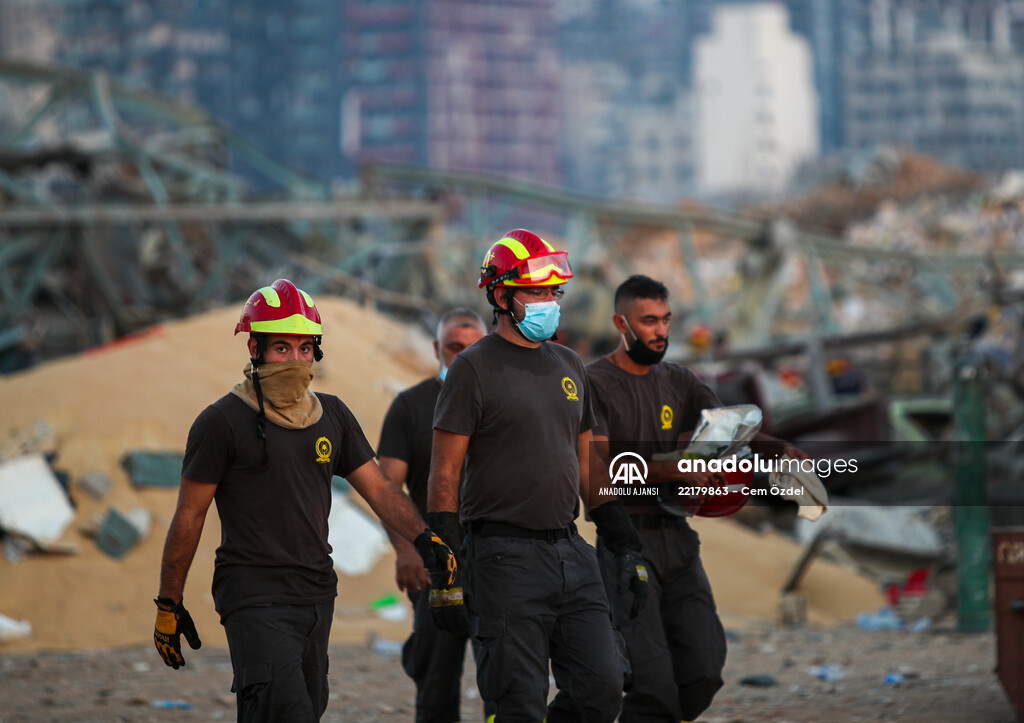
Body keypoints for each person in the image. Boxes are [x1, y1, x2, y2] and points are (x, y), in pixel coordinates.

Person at [153, 278, 457, 722]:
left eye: (304, 348)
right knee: (289, 712)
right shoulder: (221, 422)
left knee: (302, 711)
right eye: (281, 348)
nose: (295, 360)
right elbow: (190, 515)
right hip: (253, 596)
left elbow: (378, 488)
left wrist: (424, 538)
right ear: (255, 349)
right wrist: (168, 603)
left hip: (317, 594)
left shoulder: (332, 414)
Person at [426, 229, 649, 723]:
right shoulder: (472, 369)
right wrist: (445, 571)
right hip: (504, 559)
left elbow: (590, 464)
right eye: (536, 291)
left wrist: (625, 542)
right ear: (501, 296)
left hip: (572, 553)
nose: (549, 302)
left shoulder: (569, 364)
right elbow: (444, 474)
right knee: (517, 704)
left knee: (602, 690)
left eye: (554, 292)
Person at [585, 274, 808, 722]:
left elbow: (728, 432)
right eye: (649, 321)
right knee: (651, 686)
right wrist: (674, 467)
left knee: (703, 671)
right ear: (620, 323)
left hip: (679, 541)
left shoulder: (681, 381)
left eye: (666, 320)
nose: (661, 331)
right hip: (626, 543)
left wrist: (780, 450)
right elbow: (600, 471)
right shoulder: (593, 383)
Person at [377, 308, 489, 723]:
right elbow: (386, 487)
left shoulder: (503, 400)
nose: (461, 357)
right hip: (436, 563)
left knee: (506, 680)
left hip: (497, 560)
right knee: (436, 684)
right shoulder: (410, 406)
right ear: (436, 349)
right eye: (453, 348)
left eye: (472, 348)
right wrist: (406, 549)